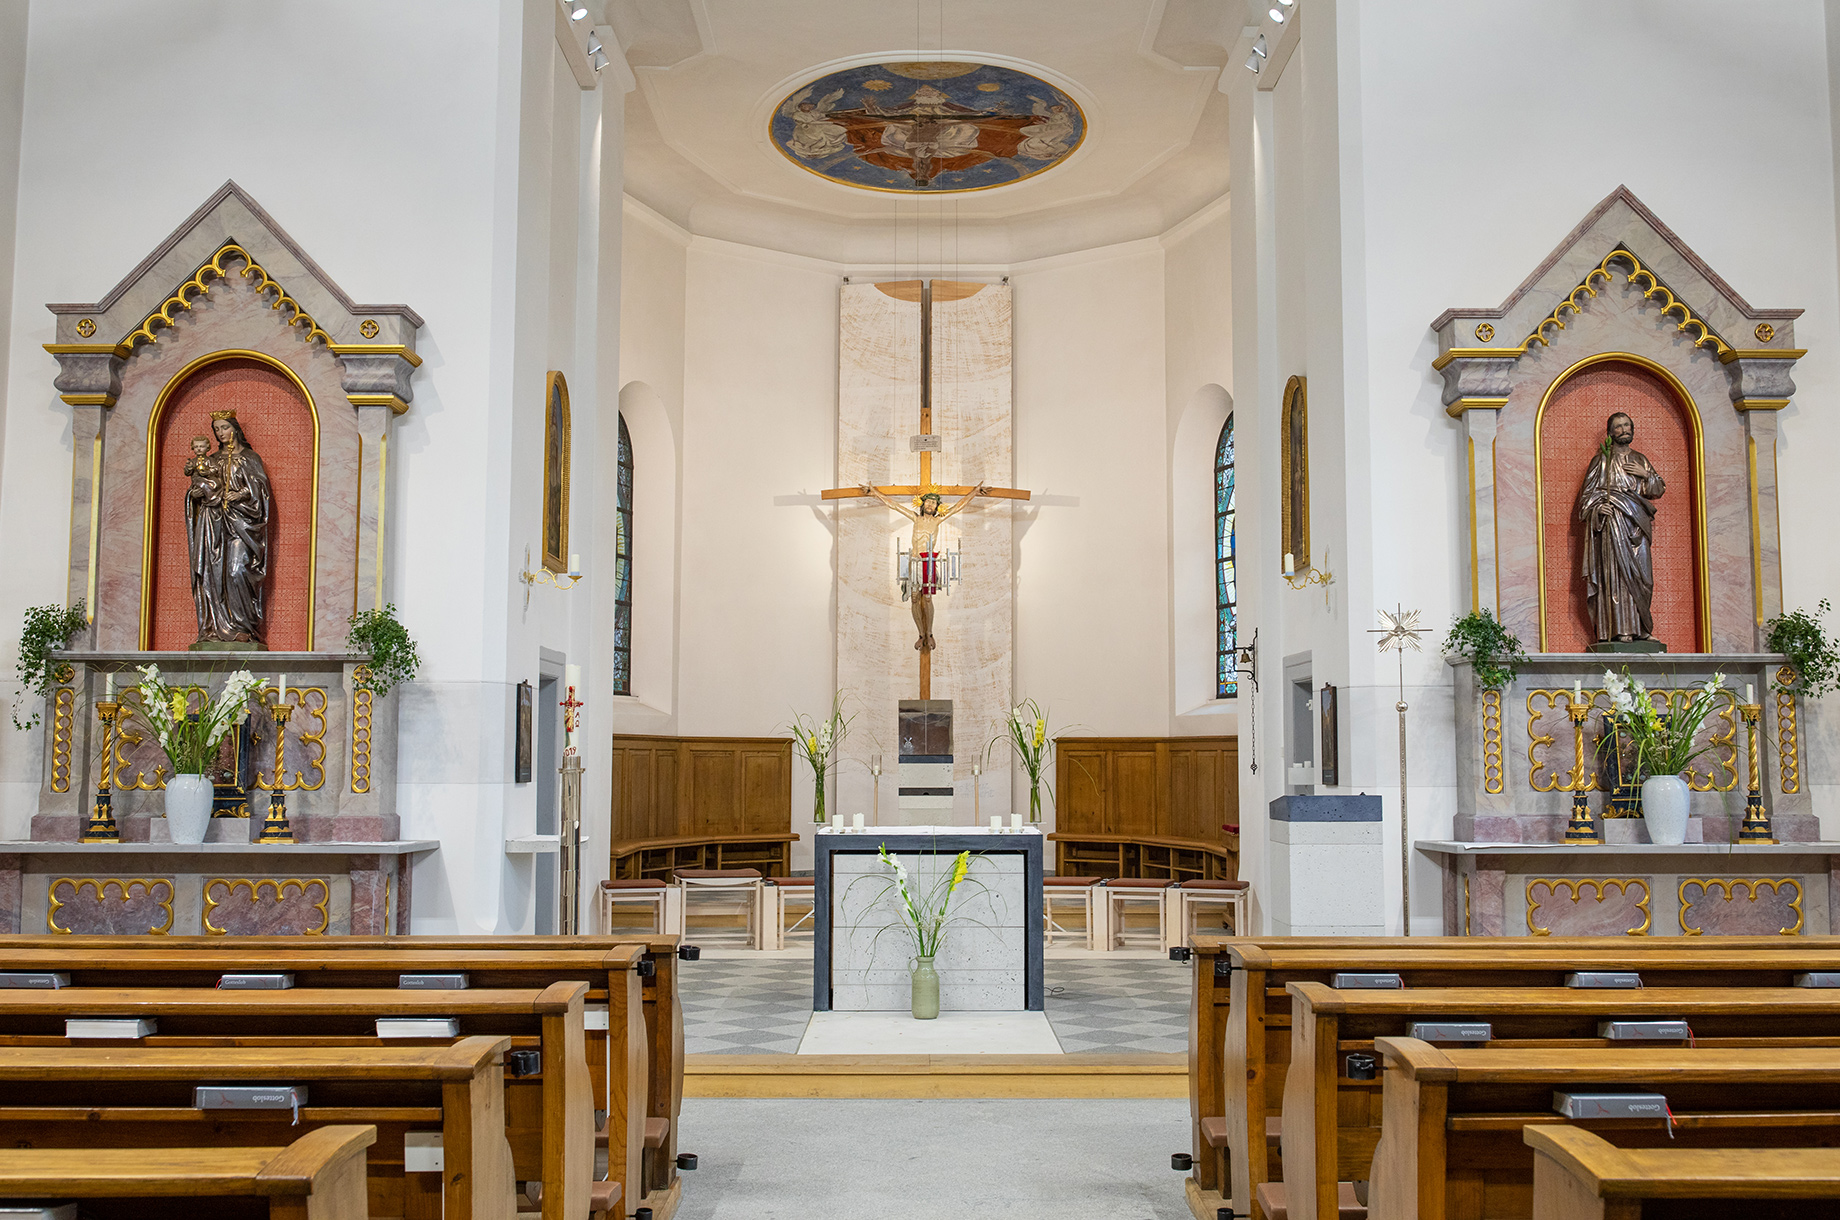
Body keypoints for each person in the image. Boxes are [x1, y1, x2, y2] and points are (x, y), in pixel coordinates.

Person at [860, 482, 988, 653]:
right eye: (928, 501)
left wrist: (975, 492)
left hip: (928, 561)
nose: (930, 504)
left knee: (927, 598)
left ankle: (929, 633)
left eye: (934, 502)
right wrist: (875, 492)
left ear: (937, 507)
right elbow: (894, 505)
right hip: (914, 561)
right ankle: (920, 634)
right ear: (922, 504)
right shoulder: (916, 518)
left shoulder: (938, 520)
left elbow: (958, 506)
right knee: (914, 597)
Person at [1575, 411, 1666, 643]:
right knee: (1617, 577)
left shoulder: (1641, 460)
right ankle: (1620, 629)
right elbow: (1586, 498)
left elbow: (1656, 491)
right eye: (1618, 426)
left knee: (1644, 578)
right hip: (1613, 525)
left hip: (1638, 527)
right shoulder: (1601, 461)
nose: (1624, 429)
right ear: (1610, 432)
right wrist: (1597, 509)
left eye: (1627, 425)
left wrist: (1647, 475)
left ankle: (1644, 628)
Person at [190, 410, 273, 647]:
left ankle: (242, 626)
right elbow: (201, 486)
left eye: (224, 427)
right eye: (216, 429)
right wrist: (196, 494)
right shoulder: (211, 460)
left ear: (234, 428)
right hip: (214, 524)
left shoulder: (249, 458)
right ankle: (219, 629)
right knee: (214, 575)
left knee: (237, 571)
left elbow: (261, 492)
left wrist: (243, 493)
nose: (221, 433)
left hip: (242, 525)